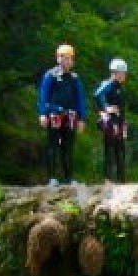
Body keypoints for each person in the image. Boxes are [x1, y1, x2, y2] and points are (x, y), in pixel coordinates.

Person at [38, 44, 87, 186]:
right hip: (54, 114)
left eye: (70, 58)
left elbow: (80, 99)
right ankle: (52, 177)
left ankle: (69, 178)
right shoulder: (50, 75)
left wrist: (82, 118)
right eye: (64, 58)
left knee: (68, 146)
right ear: (58, 58)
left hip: (70, 116)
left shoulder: (74, 78)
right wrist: (43, 114)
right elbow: (44, 96)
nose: (67, 61)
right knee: (52, 145)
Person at [94, 58, 131, 183]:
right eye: (121, 73)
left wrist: (124, 121)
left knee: (120, 150)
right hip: (110, 122)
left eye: (124, 73)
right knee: (109, 150)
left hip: (119, 122)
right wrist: (106, 108)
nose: (123, 75)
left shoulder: (121, 88)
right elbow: (98, 95)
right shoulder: (108, 84)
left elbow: (122, 107)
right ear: (114, 73)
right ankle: (108, 179)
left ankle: (122, 180)